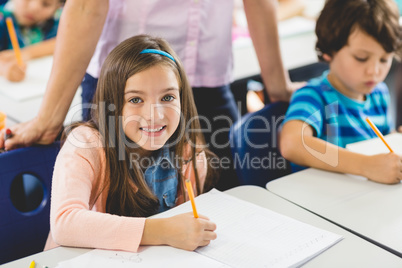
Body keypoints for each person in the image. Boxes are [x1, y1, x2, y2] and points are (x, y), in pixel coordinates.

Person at [0, 0, 304, 190]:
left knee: (220, 198)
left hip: (208, 77)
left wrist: (277, 86)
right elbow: (86, 5)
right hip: (121, 84)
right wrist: (49, 119)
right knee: (111, 200)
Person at [44, 35, 217, 252]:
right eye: (136, 100)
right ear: (113, 105)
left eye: (167, 98)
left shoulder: (188, 152)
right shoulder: (86, 146)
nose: (154, 115)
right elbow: (64, 224)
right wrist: (163, 231)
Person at [280, 0, 402, 184]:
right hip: (318, 201)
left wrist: (395, 140)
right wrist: (365, 166)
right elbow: (292, 144)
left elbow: (380, 141)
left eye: (384, 59)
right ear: (329, 51)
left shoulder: (379, 94)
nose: (374, 71)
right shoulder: (313, 96)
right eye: (361, 58)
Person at [0, 0, 64, 82]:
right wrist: (3, 69)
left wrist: (26, 53)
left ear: (56, 8)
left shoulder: (55, 21)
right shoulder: (2, 18)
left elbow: (63, 43)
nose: (34, 8)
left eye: (46, 4)